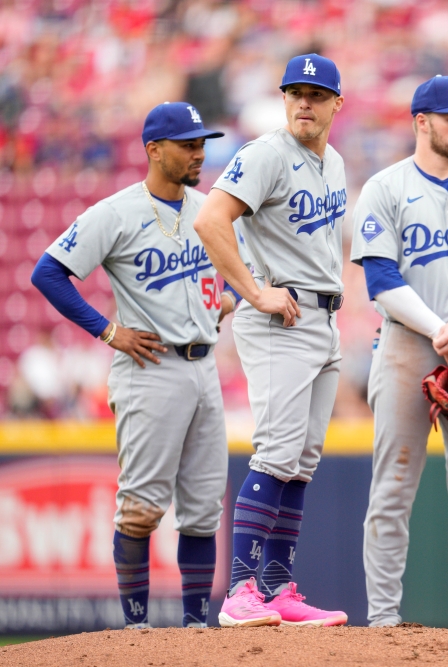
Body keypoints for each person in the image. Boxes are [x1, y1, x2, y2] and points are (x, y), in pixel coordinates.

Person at [32, 102, 232, 629]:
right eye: (187, 143)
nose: (198, 152)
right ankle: (137, 629)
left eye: (200, 142)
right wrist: (107, 330)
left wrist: (229, 294)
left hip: (203, 365)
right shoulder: (116, 212)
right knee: (142, 507)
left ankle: (194, 628)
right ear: (153, 150)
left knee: (203, 510)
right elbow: (48, 273)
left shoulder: (209, 208)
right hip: (151, 367)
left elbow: (236, 271)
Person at [193, 53, 349, 627]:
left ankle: (279, 587)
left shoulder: (332, 161)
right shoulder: (265, 154)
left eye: (316, 93)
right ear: (283, 99)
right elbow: (211, 220)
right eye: (295, 92)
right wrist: (254, 293)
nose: (304, 102)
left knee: (301, 462)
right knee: (278, 451)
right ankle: (239, 591)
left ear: (337, 103)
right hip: (281, 317)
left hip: (322, 319)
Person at [351, 75, 448, 627]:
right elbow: (381, 280)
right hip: (409, 345)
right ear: (420, 122)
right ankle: (383, 620)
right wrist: (445, 331)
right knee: (393, 487)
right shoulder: (386, 187)